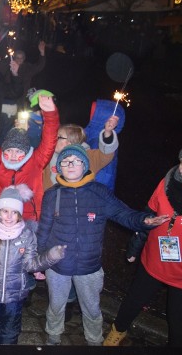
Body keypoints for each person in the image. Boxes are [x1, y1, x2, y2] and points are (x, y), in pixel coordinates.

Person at [37, 144, 170, 346]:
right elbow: (43, 229)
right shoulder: (51, 194)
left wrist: (144, 221)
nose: (70, 165)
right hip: (58, 266)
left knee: (92, 308)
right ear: (60, 167)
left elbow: (123, 214)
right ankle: (53, 335)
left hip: (89, 267)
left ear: (85, 165)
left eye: (76, 161)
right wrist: (39, 261)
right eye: (65, 161)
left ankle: (94, 340)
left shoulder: (99, 192)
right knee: (56, 305)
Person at [0, 185, 66, 344]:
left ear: (19, 214)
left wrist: (49, 257)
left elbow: (30, 265)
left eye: (14, 212)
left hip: (15, 294)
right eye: (5, 211)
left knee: (10, 330)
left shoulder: (27, 234)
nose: (9, 216)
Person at [103, 149, 182, 347]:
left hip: (181, 276)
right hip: (153, 261)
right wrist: (133, 248)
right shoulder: (166, 184)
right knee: (133, 302)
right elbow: (147, 217)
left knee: (177, 320)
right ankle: (117, 332)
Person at [0, 85, 59, 223]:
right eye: (9, 150)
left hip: (26, 224)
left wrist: (50, 114)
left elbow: (50, 141)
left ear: (26, 151)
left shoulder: (36, 161)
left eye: (19, 151)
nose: (14, 155)